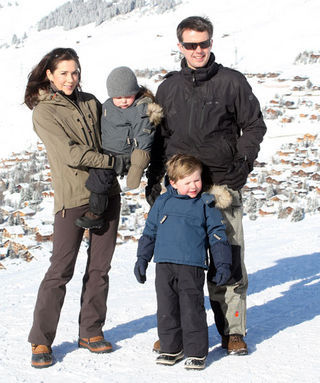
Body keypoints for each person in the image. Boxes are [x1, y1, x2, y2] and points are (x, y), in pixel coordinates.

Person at [146, 16, 267, 355]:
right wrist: (155, 181)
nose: (198, 50)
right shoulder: (169, 87)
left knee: (227, 258)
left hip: (220, 187)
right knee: (180, 267)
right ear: (180, 46)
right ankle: (178, 333)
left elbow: (254, 126)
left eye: (204, 43)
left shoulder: (232, 82)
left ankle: (233, 331)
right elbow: (159, 139)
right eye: (190, 45)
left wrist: (240, 167)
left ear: (211, 43)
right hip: (180, 192)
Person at [24, 48, 123, 368]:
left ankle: (91, 331)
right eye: (64, 73)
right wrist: (111, 161)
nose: (71, 78)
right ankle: (41, 339)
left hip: (107, 193)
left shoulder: (91, 101)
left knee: (100, 268)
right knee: (60, 270)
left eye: (75, 72)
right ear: (49, 75)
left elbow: (113, 135)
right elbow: (70, 153)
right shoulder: (44, 111)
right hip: (72, 199)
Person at [134, 154, 232, 370]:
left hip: (192, 265)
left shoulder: (205, 204)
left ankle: (196, 352)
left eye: (196, 180)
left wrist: (223, 263)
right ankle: (171, 348)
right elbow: (150, 232)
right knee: (167, 308)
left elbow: (217, 234)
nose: (193, 186)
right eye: (187, 182)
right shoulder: (162, 202)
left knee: (191, 309)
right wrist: (142, 258)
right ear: (173, 182)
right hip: (164, 265)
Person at [75, 66, 163, 230]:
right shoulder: (108, 105)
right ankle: (98, 208)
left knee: (100, 173)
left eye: (128, 96)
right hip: (108, 151)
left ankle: (96, 213)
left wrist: (136, 168)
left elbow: (144, 138)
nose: (123, 101)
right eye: (118, 97)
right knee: (98, 173)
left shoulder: (140, 109)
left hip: (127, 156)